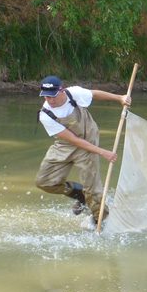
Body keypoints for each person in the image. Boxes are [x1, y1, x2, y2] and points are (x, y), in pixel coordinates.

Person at [34, 75, 131, 227]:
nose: (49, 100)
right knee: (44, 181)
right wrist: (102, 152)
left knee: (93, 189)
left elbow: (94, 94)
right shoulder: (45, 115)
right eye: (45, 96)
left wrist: (120, 98)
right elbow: (73, 140)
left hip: (88, 139)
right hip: (64, 145)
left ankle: (102, 220)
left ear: (61, 91)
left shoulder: (73, 93)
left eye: (52, 96)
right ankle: (80, 195)